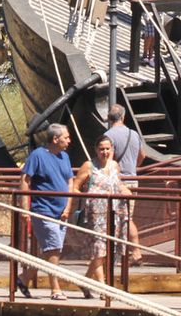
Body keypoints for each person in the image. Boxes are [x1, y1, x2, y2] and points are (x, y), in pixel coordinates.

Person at [19, 122, 75, 300]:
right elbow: (25, 180)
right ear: (55, 138)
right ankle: (55, 289)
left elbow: (70, 182)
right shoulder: (38, 155)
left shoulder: (65, 157)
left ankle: (24, 277)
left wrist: (68, 206)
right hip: (43, 210)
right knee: (54, 248)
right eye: (66, 137)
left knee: (52, 251)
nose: (69, 140)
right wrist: (24, 208)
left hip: (61, 212)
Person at [71, 135, 130, 296]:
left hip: (114, 214)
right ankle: (104, 288)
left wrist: (125, 190)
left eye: (107, 149)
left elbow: (118, 184)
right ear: (96, 150)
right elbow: (75, 187)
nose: (105, 152)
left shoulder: (115, 166)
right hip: (96, 215)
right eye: (101, 149)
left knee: (107, 252)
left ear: (112, 150)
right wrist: (88, 197)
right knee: (99, 251)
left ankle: (85, 281)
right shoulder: (89, 166)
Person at [102, 103, 143, 260]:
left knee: (120, 218)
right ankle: (124, 253)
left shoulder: (108, 136)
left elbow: (108, 161)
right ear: (124, 117)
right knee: (125, 217)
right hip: (132, 179)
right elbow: (142, 156)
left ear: (108, 118)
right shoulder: (134, 134)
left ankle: (134, 251)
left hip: (117, 181)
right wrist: (133, 167)